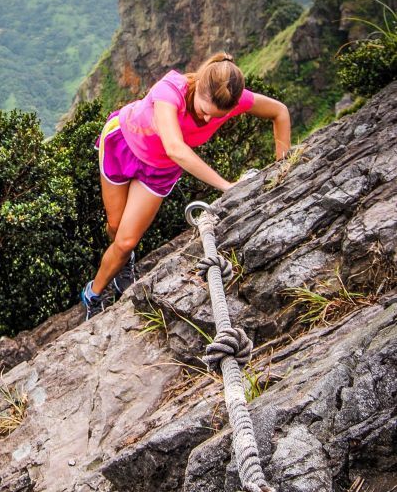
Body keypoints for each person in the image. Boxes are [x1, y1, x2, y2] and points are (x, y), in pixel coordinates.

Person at [81, 51, 291, 319]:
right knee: (114, 226)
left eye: (215, 117)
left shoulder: (232, 99)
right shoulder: (170, 91)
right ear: (198, 86)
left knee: (125, 242)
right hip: (121, 144)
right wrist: (227, 187)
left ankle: (93, 294)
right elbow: (175, 148)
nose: (205, 120)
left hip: (158, 170)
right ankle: (121, 264)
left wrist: (282, 168)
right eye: (204, 111)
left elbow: (280, 112)